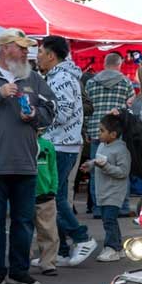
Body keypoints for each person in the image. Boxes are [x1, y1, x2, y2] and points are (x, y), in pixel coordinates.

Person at [0, 28, 56, 284]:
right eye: (20, 47)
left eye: (27, 48)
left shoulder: (32, 77)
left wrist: (35, 117)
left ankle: (19, 270)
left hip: (25, 162)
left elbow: (50, 110)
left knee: (23, 220)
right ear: (4, 49)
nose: (26, 52)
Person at [36, 35, 96, 268]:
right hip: (60, 144)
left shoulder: (61, 79)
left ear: (51, 55)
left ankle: (82, 237)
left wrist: (37, 114)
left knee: (56, 197)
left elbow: (63, 114)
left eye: (40, 52)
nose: (37, 56)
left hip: (62, 145)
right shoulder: (57, 76)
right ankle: (60, 249)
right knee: (54, 197)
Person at [84, 52, 134, 218]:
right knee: (121, 171)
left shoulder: (91, 83)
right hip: (116, 133)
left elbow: (86, 108)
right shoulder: (126, 83)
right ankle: (122, 207)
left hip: (95, 131)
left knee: (97, 172)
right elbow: (129, 108)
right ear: (119, 64)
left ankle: (98, 209)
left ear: (104, 64)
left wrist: (86, 129)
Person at [90, 114, 130, 262]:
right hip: (102, 191)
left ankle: (111, 247)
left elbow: (123, 172)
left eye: (102, 131)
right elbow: (98, 161)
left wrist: (105, 166)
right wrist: (90, 165)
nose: (98, 133)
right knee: (109, 220)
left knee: (109, 220)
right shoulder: (102, 145)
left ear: (113, 134)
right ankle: (118, 248)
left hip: (114, 192)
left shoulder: (121, 149)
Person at [31, 134, 59, 276]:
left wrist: (53, 189)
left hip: (45, 195)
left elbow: (53, 168)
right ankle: (22, 261)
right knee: (23, 231)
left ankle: (48, 263)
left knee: (48, 231)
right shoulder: (21, 142)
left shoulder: (47, 145)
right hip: (25, 195)